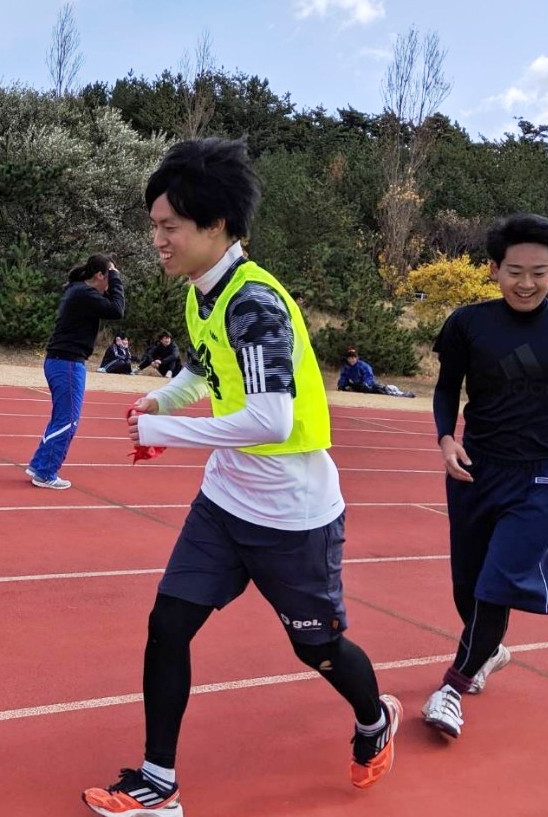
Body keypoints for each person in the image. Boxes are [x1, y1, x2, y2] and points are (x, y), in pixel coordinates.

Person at [83, 138, 400, 816]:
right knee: (167, 624)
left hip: (292, 515)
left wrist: (166, 431)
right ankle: (157, 781)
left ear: (217, 226)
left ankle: (374, 719)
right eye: (153, 226)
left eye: (168, 227)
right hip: (226, 504)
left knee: (316, 646)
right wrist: (161, 400)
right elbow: (206, 366)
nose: (156, 240)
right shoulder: (205, 295)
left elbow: (270, 417)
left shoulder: (253, 300)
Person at [421, 213, 548, 738]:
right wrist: (445, 439)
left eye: (538, 272)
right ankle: (489, 649)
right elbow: (445, 389)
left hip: (543, 478)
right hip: (475, 471)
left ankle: (452, 689)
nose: (525, 283)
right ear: (493, 270)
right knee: (467, 586)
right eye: (514, 271)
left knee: (497, 584)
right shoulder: (467, 323)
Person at [26, 254, 124, 490]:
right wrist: (117, 277)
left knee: (62, 417)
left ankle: (41, 464)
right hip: (67, 363)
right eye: (107, 277)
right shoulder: (83, 294)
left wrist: (112, 277)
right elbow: (117, 309)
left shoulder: (80, 291)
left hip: (62, 361)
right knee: (68, 420)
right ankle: (46, 472)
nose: (109, 283)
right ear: (100, 275)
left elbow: (110, 304)